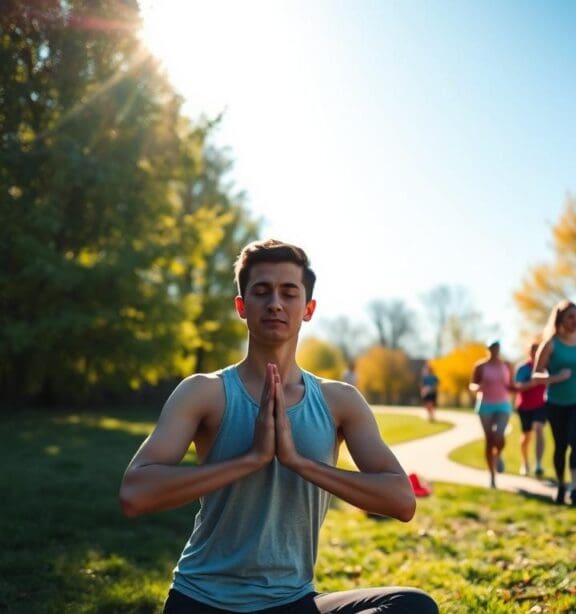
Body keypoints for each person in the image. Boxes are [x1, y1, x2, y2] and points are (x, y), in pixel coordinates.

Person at [119, 239, 438, 614]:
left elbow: (401, 501)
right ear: (242, 306)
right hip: (203, 600)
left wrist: (299, 462)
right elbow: (134, 494)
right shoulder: (204, 393)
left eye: (289, 293)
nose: (275, 303)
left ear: (308, 309)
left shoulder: (340, 401)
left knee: (412, 606)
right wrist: (251, 459)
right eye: (261, 291)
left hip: (291, 601)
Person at [533, 300, 576, 506]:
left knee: (575, 440)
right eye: (570, 316)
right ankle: (561, 485)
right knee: (561, 445)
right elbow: (536, 374)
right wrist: (555, 378)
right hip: (556, 403)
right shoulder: (551, 344)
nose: (575, 321)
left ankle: (574, 489)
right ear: (560, 320)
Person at [469, 340, 513, 489]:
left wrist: (530, 385)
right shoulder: (481, 366)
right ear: (488, 349)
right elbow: (472, 385)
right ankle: (492, 476)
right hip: (485, 405)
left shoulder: (506, 365)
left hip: (503, 404)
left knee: (499, 435)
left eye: (497, 347)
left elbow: (511, 385)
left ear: (499, 349)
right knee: (489, 440)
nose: (494, 350)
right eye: (492, 348)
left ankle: (498, 455)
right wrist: (478, 387)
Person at [513, 341, 548, 478]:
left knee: (539, 429)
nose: (537, 354)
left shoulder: (545, 367)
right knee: (526, 436)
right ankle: (525, 462)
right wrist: (533, 383)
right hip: (524, 406)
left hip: (541, 405)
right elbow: (518, 387)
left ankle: (538, 464)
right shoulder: (523, 368)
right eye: (534, 351)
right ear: (530, 352)